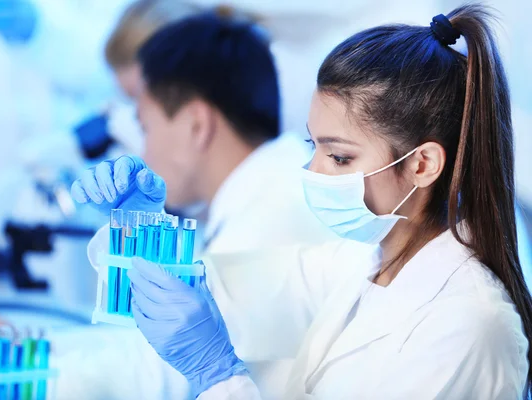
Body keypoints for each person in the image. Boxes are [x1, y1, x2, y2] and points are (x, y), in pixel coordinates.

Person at [95, 4, 531, 398]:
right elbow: (218, 295)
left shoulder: (468, 326)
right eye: (315, 146)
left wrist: (219, 375)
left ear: (422, 165)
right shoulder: (361, 263)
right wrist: (145, 232)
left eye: (339, 156)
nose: (313, 172)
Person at [72, 10, 335, 257]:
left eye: (145, 128)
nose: (144, 153)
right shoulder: (285, 190)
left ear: (196, 125)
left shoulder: (247, 246)